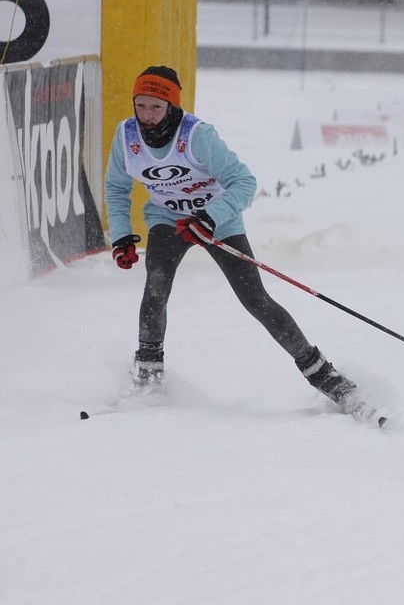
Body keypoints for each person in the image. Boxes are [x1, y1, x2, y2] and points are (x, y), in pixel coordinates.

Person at [105, 65, 384, 425]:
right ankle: (147, 379)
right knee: (156, 288)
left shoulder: (197, 135)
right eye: (140, 105)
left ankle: (327, 378)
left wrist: (209, 217)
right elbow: (116, 188)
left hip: (217, 222)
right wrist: (122, 235)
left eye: (156, 107)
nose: (146, 116)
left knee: (256, 300)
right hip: (167, 219)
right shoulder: (125, 135)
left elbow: (244, 182)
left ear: (172, 105)